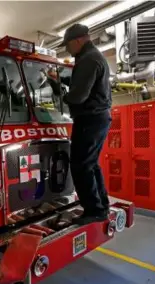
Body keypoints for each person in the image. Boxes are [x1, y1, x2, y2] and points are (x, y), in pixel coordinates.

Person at [59, 24, 112, 224]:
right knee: (91, 164)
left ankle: (94, 211)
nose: (67, 49)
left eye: (68, 45)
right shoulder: (94, 57)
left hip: (89, 119)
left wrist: (62, 95)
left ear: (78, 40)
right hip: (99, 118)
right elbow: (84, 84)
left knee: (80, 165)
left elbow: (78, 97)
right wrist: (63, 80)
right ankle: (102, 205)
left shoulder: (88, 60)